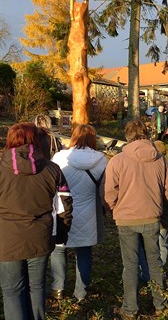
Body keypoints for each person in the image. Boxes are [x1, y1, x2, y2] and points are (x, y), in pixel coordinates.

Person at [104, 119, 168, 318]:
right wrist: (157, 202)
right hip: (152, 216)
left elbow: (109, 192)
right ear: (147, 134)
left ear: (127, 136)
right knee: (154, 262)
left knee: (130, 265)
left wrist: (115, 208)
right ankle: (160, 305)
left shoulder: (117, 160)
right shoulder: (160, 159)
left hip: (126, 219)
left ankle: (130, 309)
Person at [0, 122, 72, 320]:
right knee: (37, 286)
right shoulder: (53, 169)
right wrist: (62, 234)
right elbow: (65, 206)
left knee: (12, 290)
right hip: (39, 237)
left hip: (7, 239)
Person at [50, 124, 108, 302]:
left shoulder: (59, 158)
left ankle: (57, 287)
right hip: (89, 212)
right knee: (83, 251)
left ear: (73, 137)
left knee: (58, 250)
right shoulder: (101, 160)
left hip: (63, 210)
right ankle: (80, 292)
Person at [138, 140, 168, 282]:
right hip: (164, 213)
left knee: (146, 245)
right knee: (162, 244)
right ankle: (158, 272)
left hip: (149, 213)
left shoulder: (148, 167)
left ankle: (147, 274)